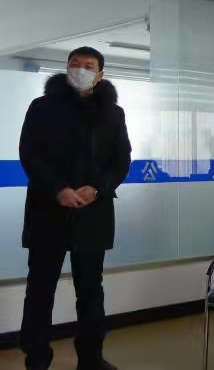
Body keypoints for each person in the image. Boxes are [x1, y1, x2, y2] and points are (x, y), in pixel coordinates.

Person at [19, 47, 132, 370]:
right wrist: (58, 189)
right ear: (67, 68)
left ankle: (91, 358)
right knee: (40, 290)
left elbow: (121, 161)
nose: (80, 69)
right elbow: (29, 154)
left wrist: (97, 188)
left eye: (88, 66)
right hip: (48, 210)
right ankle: (37, 359)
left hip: (93, 213)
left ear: (100, 74)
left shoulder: (113, 113)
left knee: (91, 290)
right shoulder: (42, 107)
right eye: (75, 64)